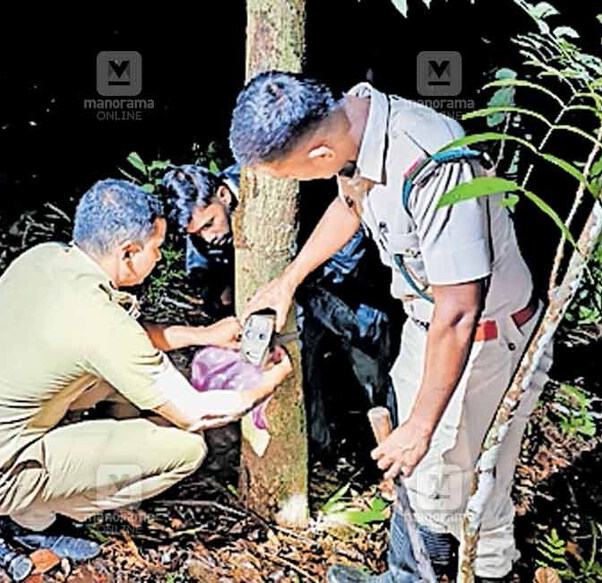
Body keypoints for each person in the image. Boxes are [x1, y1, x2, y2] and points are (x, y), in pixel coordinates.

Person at [229, 72, 553, 581]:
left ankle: (481, 573)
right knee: (425, 477)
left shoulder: (432, 163)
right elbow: (349, 204)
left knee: (469, 482)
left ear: (318, 155)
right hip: (430, 328)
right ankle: (407, 575)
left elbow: (461, 308)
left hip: (485, 341)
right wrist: (289, 280)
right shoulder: (354, 124)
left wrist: (422, 427)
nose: (300, 183)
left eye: (292, 175)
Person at [0, 178, 293, 562]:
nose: (161, 258)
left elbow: (123, 335)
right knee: (186, 448)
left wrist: (204, 335)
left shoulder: (46, 260)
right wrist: (269, 381)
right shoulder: (100, 323)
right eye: (157, 248)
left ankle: (68, 469)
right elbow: (197, 412)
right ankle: (32, 518)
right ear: (129, 253)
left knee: (114, 378)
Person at [161, 163, 396, 452]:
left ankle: (389, 442)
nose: (208, 237)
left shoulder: (281, 179)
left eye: (210, 224)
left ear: (223, 194)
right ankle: (323, 451)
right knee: (300, 373)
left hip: (341, 286)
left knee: (371, 365)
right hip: (285, 310)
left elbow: (347, 226)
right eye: (197, 232)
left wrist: (309, 281)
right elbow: (204, 272)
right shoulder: (203, 229)